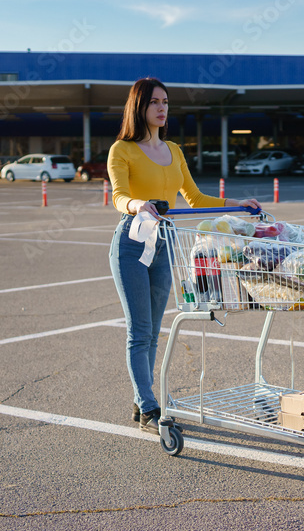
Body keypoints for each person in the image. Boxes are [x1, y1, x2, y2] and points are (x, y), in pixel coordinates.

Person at [108, 77, 259, 434]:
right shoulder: (122, 150)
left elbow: (195, 198)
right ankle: (148, 404)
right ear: (139, 107)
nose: (162, 108)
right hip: (131, 244)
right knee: (139, 330)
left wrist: (239, 205)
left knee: (154, 330)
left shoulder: (174, 150)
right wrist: (136, 204)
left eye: (165, 102)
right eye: (154, 102)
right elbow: (117, 196)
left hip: (163, 245)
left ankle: (141, 395)